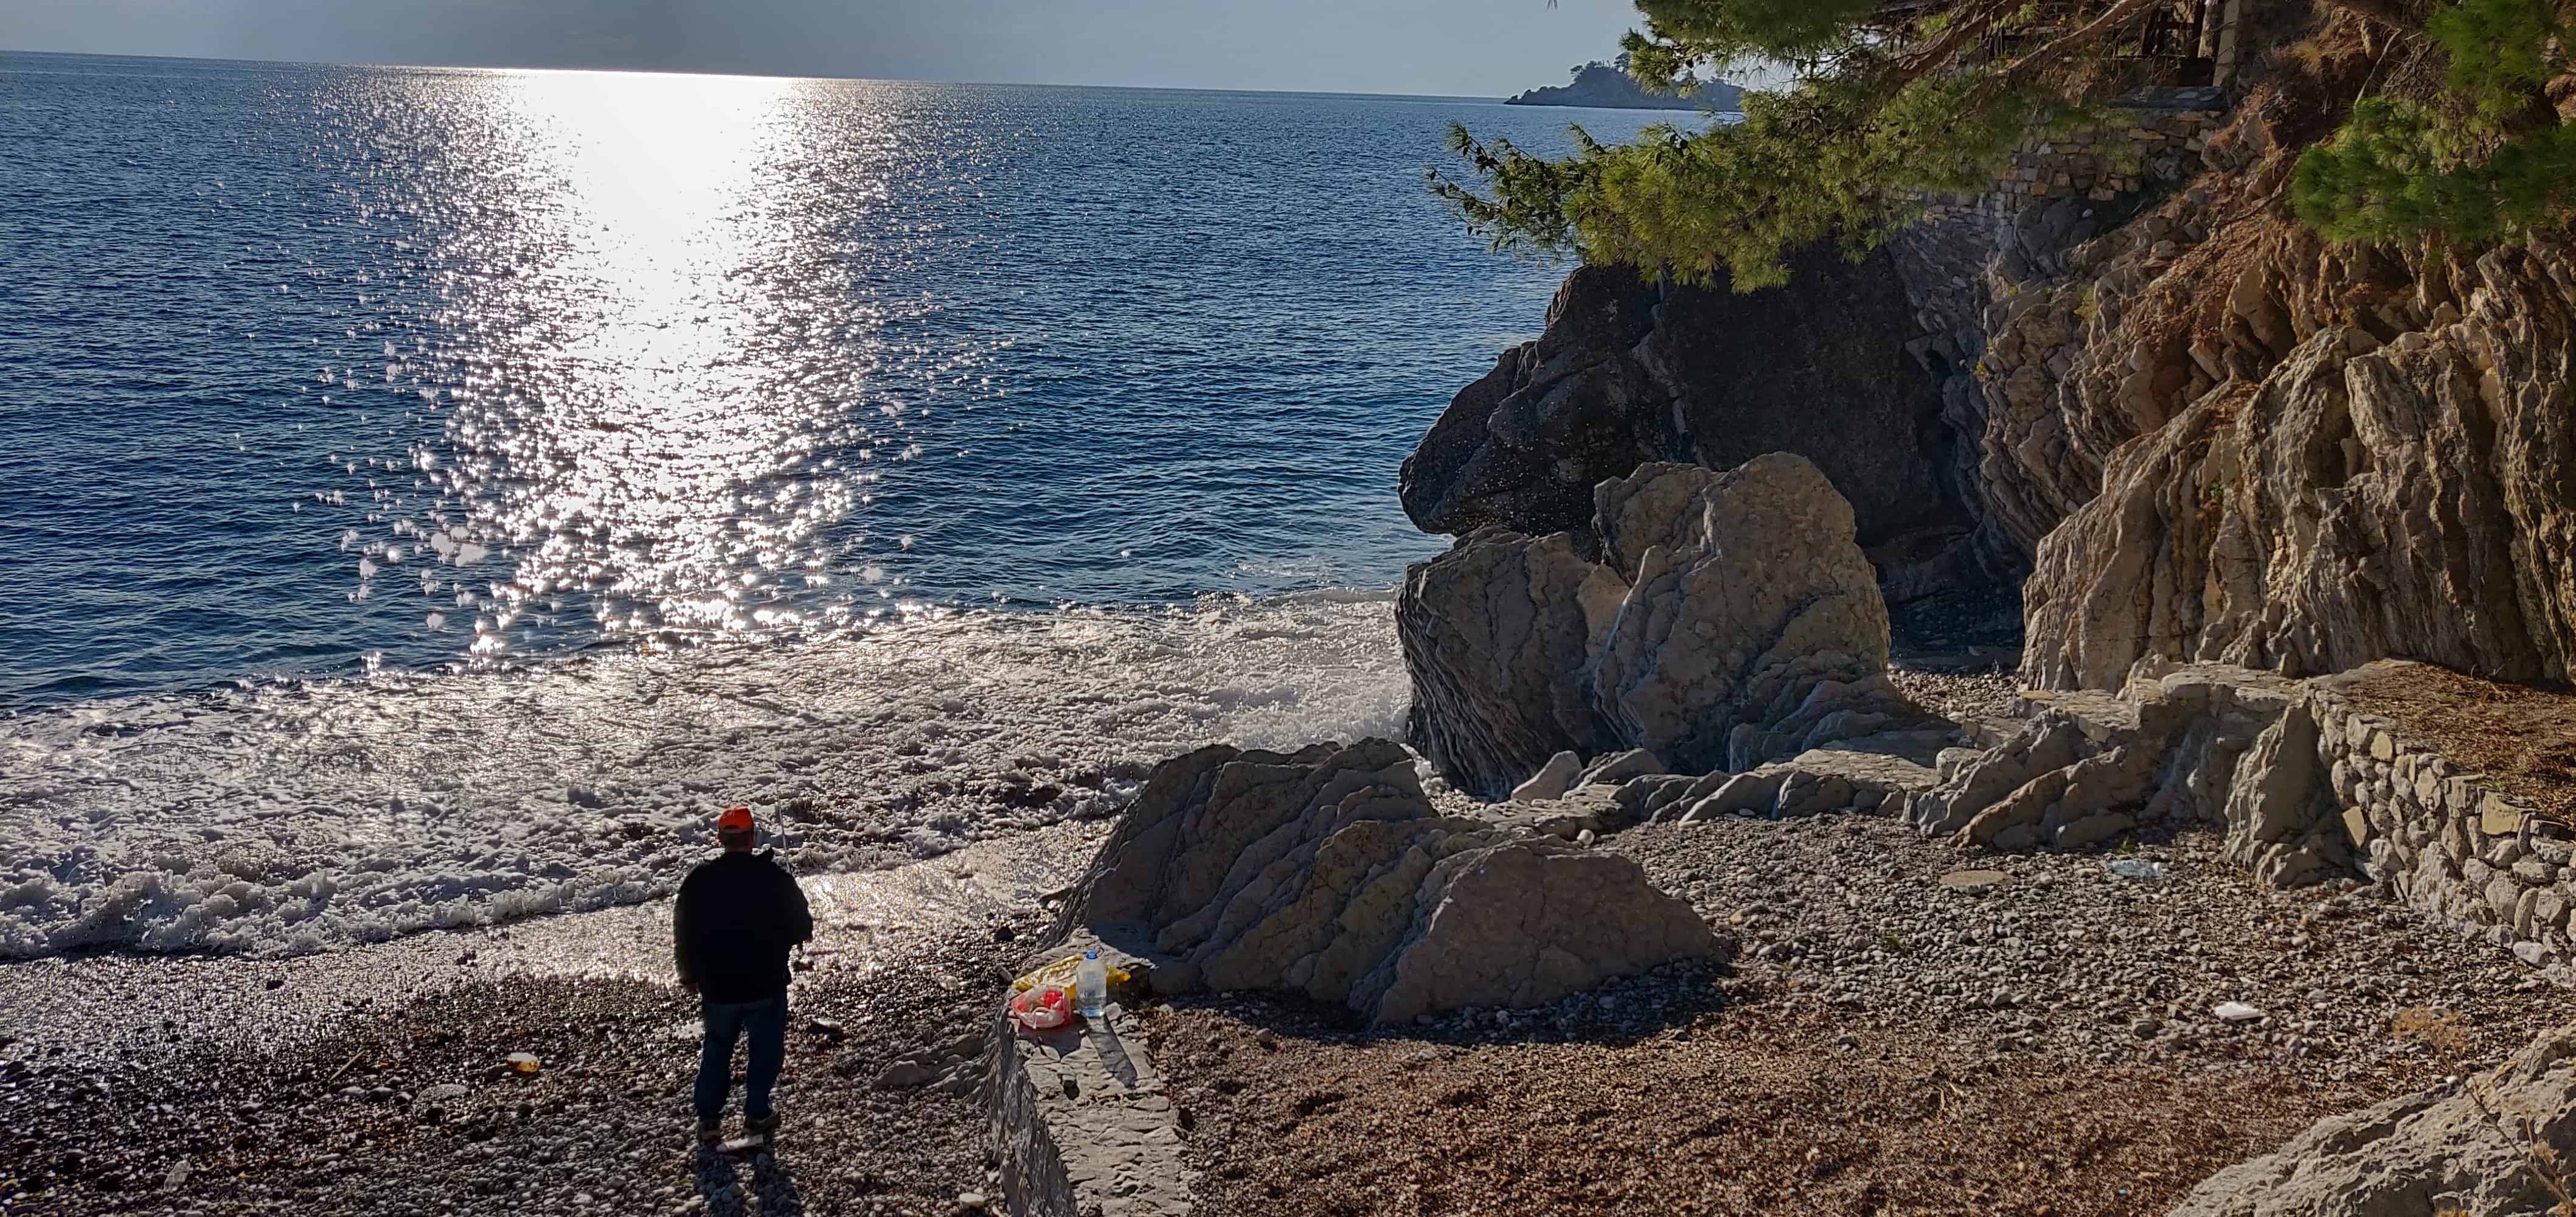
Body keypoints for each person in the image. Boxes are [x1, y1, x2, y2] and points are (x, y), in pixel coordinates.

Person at [673, 804, 813, 1145]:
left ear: (721, 839)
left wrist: (687, 974)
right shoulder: (776, 878)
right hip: (766, 983)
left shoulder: (698, 880)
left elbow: (684, 930)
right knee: (765, 1049)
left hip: (718, 986)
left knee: (718, 1048)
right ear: (752, 837)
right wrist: (796, 937)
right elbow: (802, 927)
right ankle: (757, 1113)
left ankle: (709, 1121)